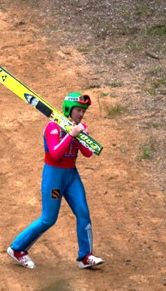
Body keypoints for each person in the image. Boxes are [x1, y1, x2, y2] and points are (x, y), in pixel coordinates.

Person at [6, 92, 104, 270]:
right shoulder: (53, 128)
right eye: (78, 110)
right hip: (54, 178)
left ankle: (85, 256)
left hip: (71, 176)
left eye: (83, 111)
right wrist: (71, 135)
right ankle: (18, 248)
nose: (81, 114)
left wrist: (83, 137)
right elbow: (56, 154)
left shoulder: (80, 127)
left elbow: (88, 154)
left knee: (83, 213)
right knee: (49, 219)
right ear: (69, 109)